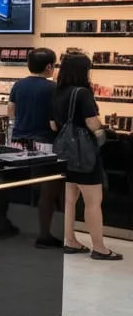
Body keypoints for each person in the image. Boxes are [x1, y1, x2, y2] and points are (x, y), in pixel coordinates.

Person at [50, 52, 121, 260]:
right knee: (93, 201)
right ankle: (99, 248)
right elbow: (92, 123)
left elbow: (52, 124)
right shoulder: (82, 93)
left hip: (64, 153)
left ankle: (69, 240)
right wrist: (101, 136)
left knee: (69, 200)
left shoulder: (57, 91)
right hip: (84, 155)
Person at [0, 48, 64, 246]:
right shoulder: (53, 88)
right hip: (44, 143)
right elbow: (54, 121)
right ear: (49, 66)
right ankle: (44, 235)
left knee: (6, 184)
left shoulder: (18, 85)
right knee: (48, 189)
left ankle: (0, 224)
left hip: (17, 141)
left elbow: (10, 112)